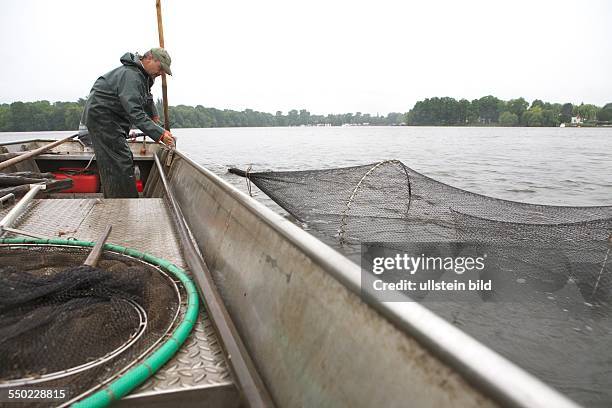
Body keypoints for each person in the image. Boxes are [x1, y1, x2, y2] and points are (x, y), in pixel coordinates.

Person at [81, 48, 175, 198]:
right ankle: (123, 203)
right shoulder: (132, 76)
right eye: (160, 67)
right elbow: (135, 112)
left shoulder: (143, 76)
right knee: (120, 162)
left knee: (121, 160)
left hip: (112, 121)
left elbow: (147, 99)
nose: (161, 73)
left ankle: (119, 200)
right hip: (103, 119)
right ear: (149, 58)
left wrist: (155, 118)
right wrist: (160, 134)